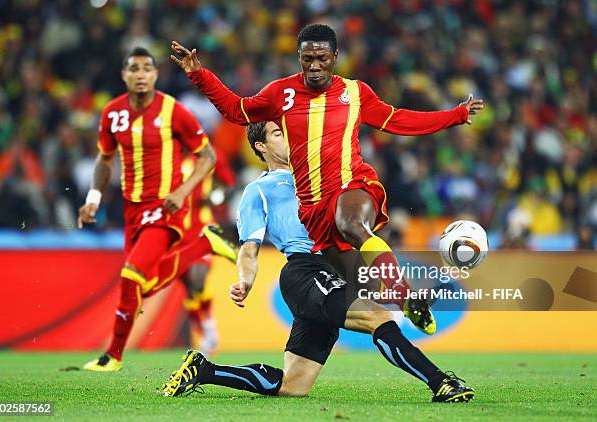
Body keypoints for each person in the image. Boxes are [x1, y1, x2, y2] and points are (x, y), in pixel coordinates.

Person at [170, 23, 484, 334]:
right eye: (308, 59)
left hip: (353, 184)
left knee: (351, 224)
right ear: (299, 57)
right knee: (361, 288)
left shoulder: (355, 92)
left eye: (322, 58)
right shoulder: (281, 93)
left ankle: (407, 296)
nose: (315, 66)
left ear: (335, 57)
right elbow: (236, 110)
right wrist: (199, 74)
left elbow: (397, 120)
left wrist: (454, 115)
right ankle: (405, 308)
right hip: (314, 209)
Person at [161, 122, 474, 402]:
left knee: (293, 385)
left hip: (333, 268)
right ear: (261, 146)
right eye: (278, 133)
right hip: (305, 270)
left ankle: (205, 370)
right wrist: (245, 280)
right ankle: (441, 383)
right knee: (377, 317)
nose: (289, 136)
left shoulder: (320, 174)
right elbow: (249, 248)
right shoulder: (259, 190)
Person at [78, 47, 236, 372]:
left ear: (155, 75)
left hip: (166, 207)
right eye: (134, 69)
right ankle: (207, 243)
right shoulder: (112, 113)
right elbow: (105, 159)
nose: (140, 74)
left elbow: (208, 157)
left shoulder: (173, 111)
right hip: (132, 212)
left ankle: (113, 356)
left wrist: (182, 191)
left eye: (147, 69)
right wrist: (93, 198)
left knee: (130, 278)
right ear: (124, 75)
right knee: (138, 288)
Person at [179, 147, 237, 356]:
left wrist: (215, 197)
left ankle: (210, 330)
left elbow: (229, 183)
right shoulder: (170, 157)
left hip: (203, 229)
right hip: (177, 232)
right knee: (189, 287)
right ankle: (206, 334)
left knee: (198, 277)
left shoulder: (212, 156)